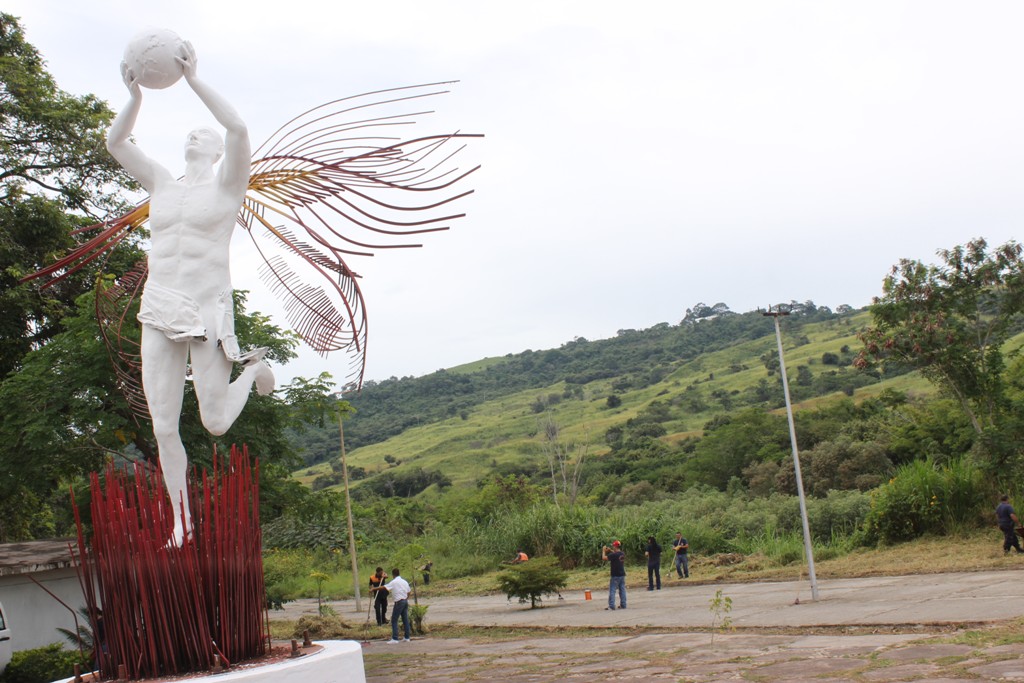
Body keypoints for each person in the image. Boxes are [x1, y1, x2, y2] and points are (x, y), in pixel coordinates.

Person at [106, 40, 275, 546]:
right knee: (162, 425)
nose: (194, 134)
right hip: (160, 305)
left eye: (203, 133)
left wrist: (193, 79)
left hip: (206, 307)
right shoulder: (162, 183)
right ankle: (181, 521)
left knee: (216, 421)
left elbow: (238, 127)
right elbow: (117, 143)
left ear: (217, 150)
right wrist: (135, 95)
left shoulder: (228, 186)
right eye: (190, 131)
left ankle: (253, 371)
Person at [372, 567, 412, 643]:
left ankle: (395, 638)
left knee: (394, 620)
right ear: (399, 573)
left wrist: (373, 589)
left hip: (399, 602)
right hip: (405, 601)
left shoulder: (394, 582)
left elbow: (383, 587)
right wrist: (406, 598)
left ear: (393, 575)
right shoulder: (404, 582)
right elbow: (409, 591)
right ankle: (407, 637)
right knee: (405, 620)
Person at [602, 540, 626, 610]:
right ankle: (623, 604)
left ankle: (611, 605)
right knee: (622, 590)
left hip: (615, 575)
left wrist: (603, 551)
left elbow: (604, 558)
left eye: (613, 546)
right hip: (622, 574)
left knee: (612, 590)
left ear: (615, 546)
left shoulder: (614, 555)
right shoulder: (622, 553)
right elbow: (616, 554)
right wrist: (610, 550)